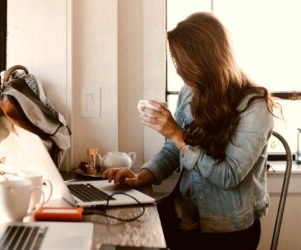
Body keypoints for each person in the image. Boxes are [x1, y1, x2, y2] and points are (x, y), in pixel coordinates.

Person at [103, 12, 278, 250]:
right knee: (117, 230)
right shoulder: (190, 93)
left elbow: (228, 176)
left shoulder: (254, 106)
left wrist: (177, 134)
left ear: (207, 60)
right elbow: (173, 150)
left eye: (182, 63)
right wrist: (141, 176)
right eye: (175, 61)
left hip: (227, 229)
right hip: (184, 211)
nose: (178, 71)